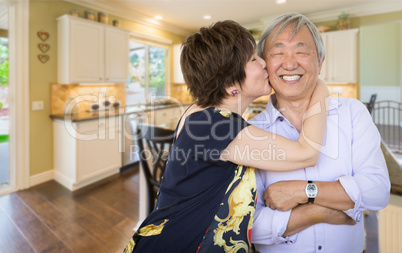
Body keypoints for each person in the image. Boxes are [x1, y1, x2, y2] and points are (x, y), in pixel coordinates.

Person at [123, 20, 329, 252]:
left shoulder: (201, 113)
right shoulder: (216, 125)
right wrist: (318, 85)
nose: (264, 63)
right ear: (231, 81)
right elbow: (307, 153)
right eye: (253, 59)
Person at [249, 12, 391, 252]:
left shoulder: (352, 113)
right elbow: (250, 226)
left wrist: (302, 191)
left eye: (301, 52)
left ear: (320, 62)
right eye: (278, 52)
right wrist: (318, 211)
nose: (290, 63)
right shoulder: (251, 132)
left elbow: (377, 191)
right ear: (264, 64)